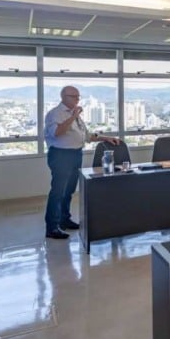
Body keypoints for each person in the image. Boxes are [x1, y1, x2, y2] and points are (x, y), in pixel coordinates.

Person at [43, 86, 120, 239]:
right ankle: (52, 227)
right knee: (58, 191)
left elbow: (86, 136)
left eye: (78, 96)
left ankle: (64, 220)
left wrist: (106, 138)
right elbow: (56, 132)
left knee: (69, 190)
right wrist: (73, 116)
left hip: (76, 154)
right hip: (61, 155)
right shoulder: (55, 114)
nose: (77, 99)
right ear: (64, 97)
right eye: (74, 96)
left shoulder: (75, 115)